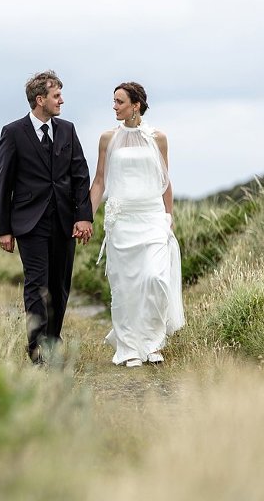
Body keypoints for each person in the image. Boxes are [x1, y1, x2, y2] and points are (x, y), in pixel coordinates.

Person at [0, 70, 94, 365]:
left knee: (60, 285)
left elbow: (80, 176)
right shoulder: (13, 132)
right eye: (56, 95)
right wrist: (4, 229)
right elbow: (4, 182)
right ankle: (38, 349)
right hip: (29, 222)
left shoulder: (67, 130)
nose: (61, 100)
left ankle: (52, 340)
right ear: (40, 100)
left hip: (64, 222)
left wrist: (83, 216)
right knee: (37, 284)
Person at [89, 82, 185, 367]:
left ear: (136, 105)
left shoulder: (158, 138)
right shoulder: (107, 138)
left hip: (153, 218)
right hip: (121, 221)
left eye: (119, 102)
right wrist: (85, 217)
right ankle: (129, 347)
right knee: (124, 286)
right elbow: (100, 181)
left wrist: (170, 217)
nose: (114, 106)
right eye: (114, 101)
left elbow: (165, 180)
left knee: (156, 279)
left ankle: (153, 343)